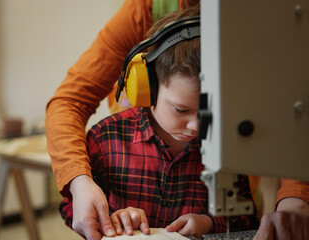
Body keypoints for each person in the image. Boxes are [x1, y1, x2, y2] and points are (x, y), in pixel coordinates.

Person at [45, 0, 309, 239]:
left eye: (210, 111)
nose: (196, 126)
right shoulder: (107, 141)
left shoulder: (225, 150)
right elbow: (69, 102)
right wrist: (83, 188)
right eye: (181, 110)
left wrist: (210, 223)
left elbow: (239, 220)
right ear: (147, 88)